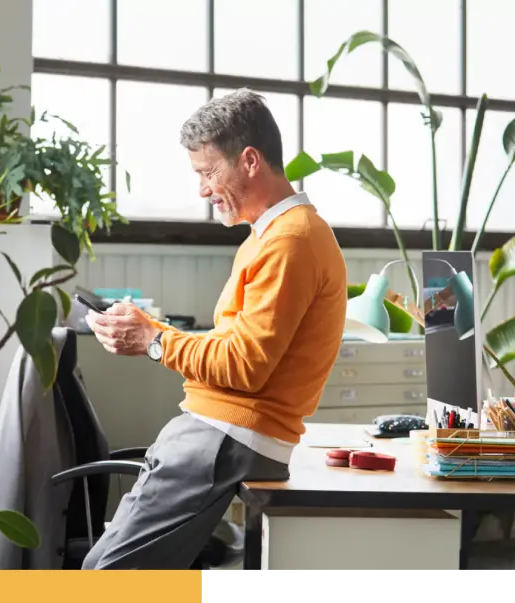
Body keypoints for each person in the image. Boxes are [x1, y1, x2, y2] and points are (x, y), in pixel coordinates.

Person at [82, 88, 348, 570]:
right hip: (217, 433)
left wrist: (153, 340)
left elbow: (245, 367)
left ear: (249, 160)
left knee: (103, 577)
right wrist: (147, 328)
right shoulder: (269, 236)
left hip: (226, 435)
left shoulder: (290, 241)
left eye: (208, 173)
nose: (203, 190)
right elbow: (236, 346)